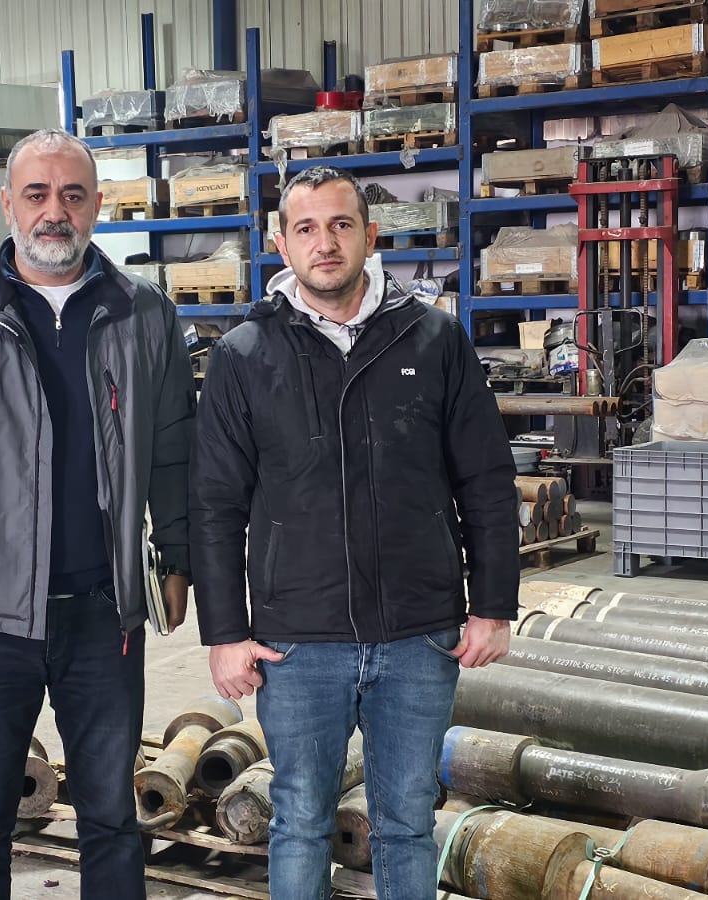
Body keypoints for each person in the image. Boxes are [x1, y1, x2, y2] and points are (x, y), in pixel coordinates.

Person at [0, 128, 196, 900]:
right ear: (8, 205)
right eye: (37, 194)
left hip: (104, 615)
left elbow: (173, 451)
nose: (55, 211)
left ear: (96, 205)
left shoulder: (143, 313)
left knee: (111, 819)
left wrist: (178, 555)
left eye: (72, 195)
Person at [190, 166, 520, 899]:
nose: (326, 243)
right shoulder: (244, 355)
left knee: (406, 822)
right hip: (298, 639)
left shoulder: (434, 339)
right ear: (281, 245)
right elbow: (215, 504)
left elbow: (486, 480)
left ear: (370, 235)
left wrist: (494, 604)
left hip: (417, 633)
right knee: (300, 821)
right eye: (306, 228)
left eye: (341, 225)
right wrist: (225, 633)